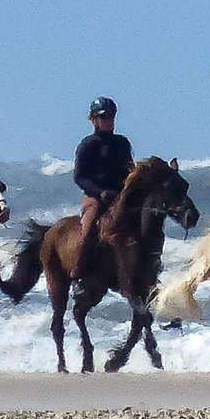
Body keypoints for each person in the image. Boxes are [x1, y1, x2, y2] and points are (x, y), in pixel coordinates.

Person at [71, 96, 133, 282]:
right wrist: (99, 193)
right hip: (95, 197)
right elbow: (79, 177)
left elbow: (129, 169)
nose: (109, 120)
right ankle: (79, 272)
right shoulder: (87, 145)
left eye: (111, 116)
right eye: (104, 117)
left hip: (120, 196)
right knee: (88, 228)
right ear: (94, 120)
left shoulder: (122, 143)